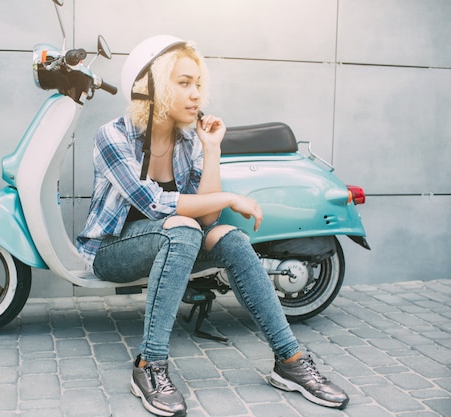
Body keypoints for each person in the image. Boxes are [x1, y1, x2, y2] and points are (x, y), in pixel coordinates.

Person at [76, 35, 349, 417]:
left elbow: (206, 218)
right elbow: (152, 203)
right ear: (151, 86)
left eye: (198, 84)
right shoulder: (114, 136)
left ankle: (290, 360)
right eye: (183, 83)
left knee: (231, 238)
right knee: (184, 229)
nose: (196, 95)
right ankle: (149, 366)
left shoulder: (189, 140)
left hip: (175, 242)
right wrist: (228, 198)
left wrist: (212, 148)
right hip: (112, 251)